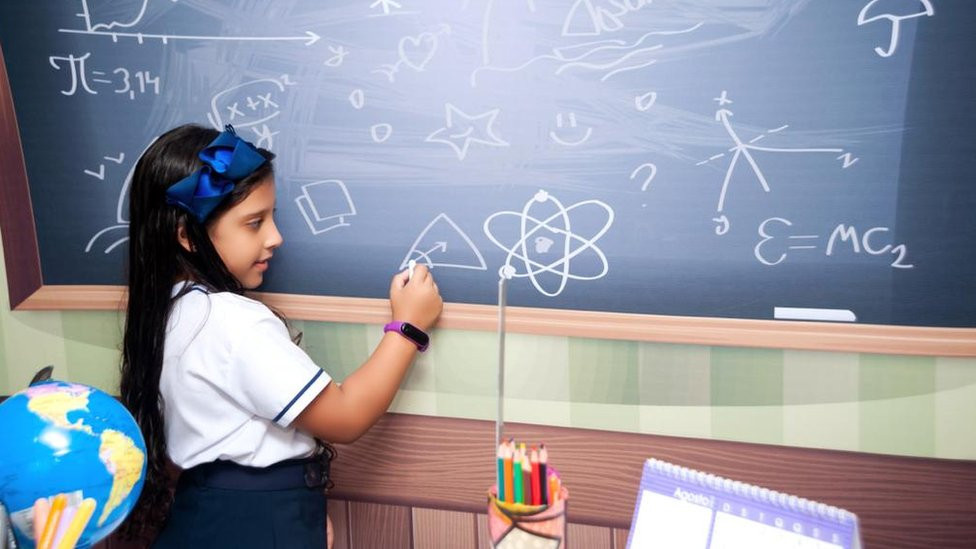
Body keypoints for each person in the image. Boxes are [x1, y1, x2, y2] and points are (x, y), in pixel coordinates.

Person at [118, 124, 442, 548]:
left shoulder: (171, 310)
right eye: (254, 223)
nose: (275, 237)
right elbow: (344, 418)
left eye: (272, 217)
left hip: (211, 515)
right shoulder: (230, 320)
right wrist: (407, 328)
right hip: (249, 522)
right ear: (186, 236)